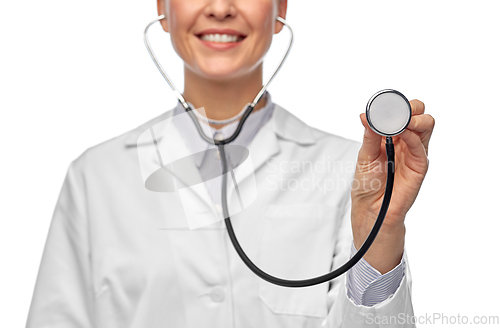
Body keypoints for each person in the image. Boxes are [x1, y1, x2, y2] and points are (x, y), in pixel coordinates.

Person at [25, 0, 435, 327]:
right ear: (162, 9)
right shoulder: (95, 178)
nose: (220, 7)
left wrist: (379, 236)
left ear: (281, 11)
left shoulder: (354, 172)